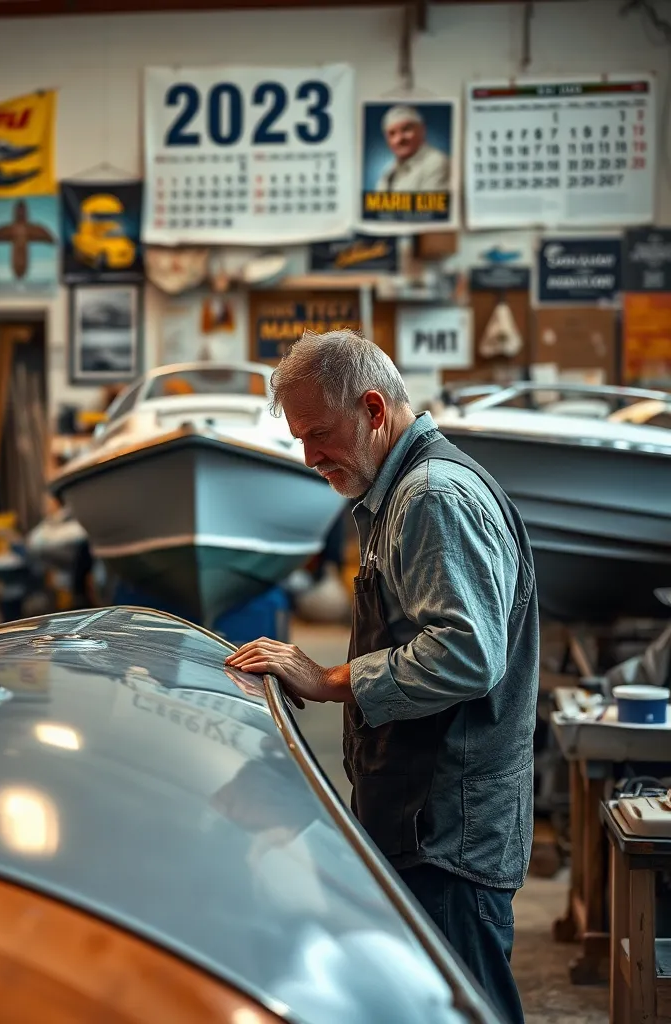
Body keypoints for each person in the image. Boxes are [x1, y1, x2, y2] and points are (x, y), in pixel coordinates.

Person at [225, 329, 538, 1024]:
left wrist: (330, 680)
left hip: (449, 832)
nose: (309, 458)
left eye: (319, 435)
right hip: (427, 819)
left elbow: (466, 653)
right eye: (299, 439)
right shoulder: (400, 491)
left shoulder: (432, 497)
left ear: (372, 409)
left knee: (464, 1007)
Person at [374, 105, 450, 192]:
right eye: (392, 134)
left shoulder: (436, 163)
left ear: (422, 130)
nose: (399, 139)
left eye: (406, 130)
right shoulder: (388, 172)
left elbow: (431, 205)